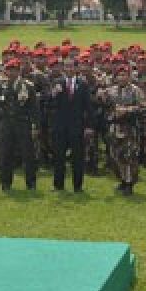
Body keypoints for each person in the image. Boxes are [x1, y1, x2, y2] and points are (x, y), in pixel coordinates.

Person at [0, 61, 39, 190]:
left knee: (28, 155)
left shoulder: (27, 86)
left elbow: (34, 108)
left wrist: (35, 125)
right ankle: (5, 183)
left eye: (14, 70)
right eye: (9, 70)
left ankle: (31, 183)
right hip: (7, 124)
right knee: (5, 155)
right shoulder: (2, 85)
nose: (11, 73)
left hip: (23, 123)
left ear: (19, 71)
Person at [51, 59, 91, 192]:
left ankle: (78, 186)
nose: (68, 69)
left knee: (77, 158)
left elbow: (88, 107)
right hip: (60, 126)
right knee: (59, 157)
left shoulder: (83, 84)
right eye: (66, 67)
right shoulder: (57, 83)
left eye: (71, 67)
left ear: (76, 68)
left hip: (77, 127)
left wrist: (88, 126)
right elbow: (49, 103)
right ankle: (58, 185)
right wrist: (54, 94)